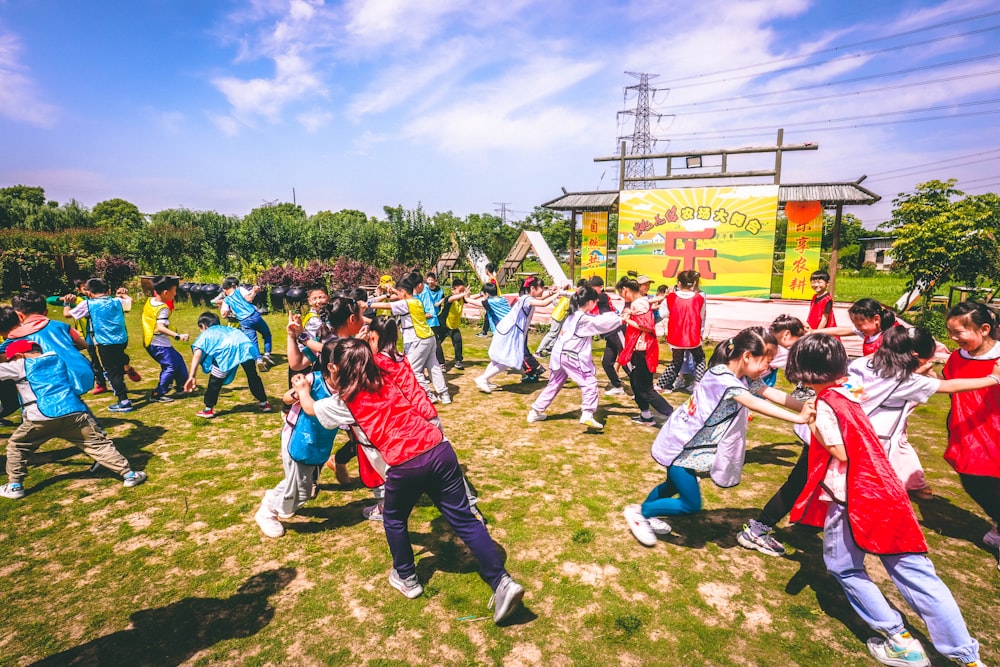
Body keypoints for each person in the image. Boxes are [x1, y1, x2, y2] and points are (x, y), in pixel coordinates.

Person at [786, 333, 986, 667]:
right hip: (887, 489)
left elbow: (840, 452)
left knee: (844, 567)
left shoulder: (825, 404)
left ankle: (899, 639)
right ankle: (965, 654)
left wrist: (811, 424)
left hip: (853, 498)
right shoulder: (850, 389)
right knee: (917, 574)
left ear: (801, 371)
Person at [294, 338, 524, 624]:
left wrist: (304, 389)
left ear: (332, 368)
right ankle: (502, 581)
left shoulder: (344, 402)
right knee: (464, 519)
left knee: (394, 518)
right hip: (440, 449)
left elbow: (312, 409)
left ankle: (407, 577)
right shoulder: (388, 380)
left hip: (405, 464)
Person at [623, 327, 813, 546]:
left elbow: (771, 393)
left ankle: (647, 514)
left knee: (672, 485)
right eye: (765, 361)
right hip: (681, 446)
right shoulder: (724, 380)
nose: (767, 367)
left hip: (689, 445)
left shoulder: (740, 377)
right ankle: (640, 513)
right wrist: (800, 419)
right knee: (691, 504)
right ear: (747, 356)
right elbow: (755, 403)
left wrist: (805, 407)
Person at [0, 340, 147, 500]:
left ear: (19, 356)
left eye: (10, 360)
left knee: (17, 447)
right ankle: (129, 475)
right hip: (73, 412)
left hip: (40, 417)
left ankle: (15, 486)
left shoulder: (20, 364)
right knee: (97, 444)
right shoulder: (56, 358)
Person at [254, 339, 342, 538]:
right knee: (300, 487)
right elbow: (286, 398)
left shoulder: (345, 386)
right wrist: (301, 393)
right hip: (297, 439)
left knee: (301, 483)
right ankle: (267, 510)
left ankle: (284, 499)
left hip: (317, 442)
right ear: (333, 367)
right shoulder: (312, 380)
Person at [942, 301, 1000, 569]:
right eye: (950, 332)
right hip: (967, 431)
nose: (953, 338)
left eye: (959, 333)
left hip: (994, 432)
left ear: (984, 329)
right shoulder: (957, 357)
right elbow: (951, 385)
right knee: (973, 480)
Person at [527, 285, 623, 429]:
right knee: (589, 383)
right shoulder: (583, 319)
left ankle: (535, 411)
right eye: (595, 302)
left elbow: (597, 319)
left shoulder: (574, 314)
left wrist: (619, 316)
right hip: (570, 356)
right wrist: (622, 319)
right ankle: (587, 414)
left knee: (554, 384)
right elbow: (599, 323)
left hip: (559, 354)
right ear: (590, 302)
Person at [370, 276, 451, 404]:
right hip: (429, 337)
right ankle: (444, 394)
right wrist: (394, 290)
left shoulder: (404, 303)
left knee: (413, 369)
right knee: (434, 367)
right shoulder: (416, 301)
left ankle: (427, 394)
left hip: (416, 338)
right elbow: (401, 294)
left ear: (402, 292)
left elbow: (387, 305)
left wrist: (368, 304)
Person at [475, 277, 560, 392]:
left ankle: (485, 380)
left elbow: (542, 297)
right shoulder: (526, 299)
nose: (542, 290)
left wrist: (551, 292)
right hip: (510, 332)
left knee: (499, 360)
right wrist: (558, 294)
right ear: (532, 288)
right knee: (507, 360)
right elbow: (543, 303)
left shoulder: (527, 297)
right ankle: (483, 379)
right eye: (541, 287)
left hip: (509, 331)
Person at [63, 278, 136, 413]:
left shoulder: (88, 304)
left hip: (105, 342)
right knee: (118, 364)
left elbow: (67, 314)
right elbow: (129, 302)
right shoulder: (117, 301)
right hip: (121, 339)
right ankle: (124, 369)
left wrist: (67, 303)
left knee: (111, 371)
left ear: (89, 293)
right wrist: (123, 294)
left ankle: (123, 400)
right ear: (108, 291)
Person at [3, 291, 94, 397]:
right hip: (81, 373)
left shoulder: (17, 335)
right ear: (45, 312)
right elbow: (84, 345)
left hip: (51, 380)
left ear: (18, 316)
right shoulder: (61, 326)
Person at [183, 312, 271, 419]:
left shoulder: (207, 333)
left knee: (215, 381)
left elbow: (197, 354)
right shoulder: (229, 329)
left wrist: (192, 376)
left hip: (226, 352)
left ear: (203, 326)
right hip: (246, 347)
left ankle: (208, 409)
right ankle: (264, 403)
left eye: (200, 329)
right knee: (252, 376)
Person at [617, 279, 674, 427]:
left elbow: (647, 327)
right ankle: (646, 415)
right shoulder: (642, 301)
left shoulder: (638, 303)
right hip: (640, 349)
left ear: (625, 290)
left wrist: (627, 319)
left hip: (644, 349)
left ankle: (672, 415)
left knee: (645, 388)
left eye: (621, 294)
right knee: (635, 384)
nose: (623, 298)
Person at [655, 271, 707, 393]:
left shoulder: (671, 297)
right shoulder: (699, 298)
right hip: (692, 335)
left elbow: (663, 314)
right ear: (694, 283)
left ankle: (661, 384)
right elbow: (702, 316)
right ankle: (697, 383)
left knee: (676, 361)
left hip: (676, 335)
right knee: (699, 358)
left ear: (679, 283)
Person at [141, 276, 190, 402]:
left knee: (177, 359)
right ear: (166, 292)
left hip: (153, 341)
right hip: (157, 343)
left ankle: (183, 385)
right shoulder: (162, 308)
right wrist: (178, 336)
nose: (175, 293)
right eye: (174, 290)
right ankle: (158, 393)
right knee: (170, 366)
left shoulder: (150, 301)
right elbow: (160, 327)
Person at [217, 277, 273, 371]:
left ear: (225, 289)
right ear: (234, 286)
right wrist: (254, 291)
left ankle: (259, 360)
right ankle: (267, 355)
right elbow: (249, 299)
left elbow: (223, 314)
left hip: (244, 321)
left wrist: (221, 306)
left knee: (253, 342)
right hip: (254, 315)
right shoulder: (240, 289)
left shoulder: (226, 300)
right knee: (266, 334)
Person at [812, 297, 896, 356]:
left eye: (859, 325)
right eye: (855, 325)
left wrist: (855, 364)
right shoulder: (872, 330)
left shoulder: (893, 336)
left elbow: (879, 356)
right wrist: (813, 332)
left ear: (876, 319)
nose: (857, 328)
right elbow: (842, 331)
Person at [588, 276, 625, 396]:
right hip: (609, 334)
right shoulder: (595, 297)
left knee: (627, 360)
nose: (591, 290)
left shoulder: (602, 297)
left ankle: (641, 389)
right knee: (606, 362)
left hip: (617, 331)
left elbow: (589, 300)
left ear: (601, 287)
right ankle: (618, 386)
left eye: (593, 287)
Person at [535, 280, 579, 359]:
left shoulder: (570, 292)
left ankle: (550, 348)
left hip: (559, 314)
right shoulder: (573, 294)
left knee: (556, 332)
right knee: (552, 333)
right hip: (559, 314)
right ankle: (538, 351)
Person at [436, 277, 468, 370]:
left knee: (458, 342)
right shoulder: (449, 298)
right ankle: (437, 362)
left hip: (453, 326)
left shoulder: (461, 298)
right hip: (442, 326)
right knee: (436, 344)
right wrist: (464, 294)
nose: (462, 293)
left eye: (463, 290)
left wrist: (483, 294)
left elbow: (470, 298)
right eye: (460, 290)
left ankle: (458, 361)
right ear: (453, 290)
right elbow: (452, 299)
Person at [476, 263, 499, 337]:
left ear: (487, 270)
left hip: (492, 300)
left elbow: (492, 290)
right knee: (488, 315)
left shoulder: (492, 280)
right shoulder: (492, 278)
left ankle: (485, 332)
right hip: (493, 299)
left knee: (489, 316)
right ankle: (486, 331)